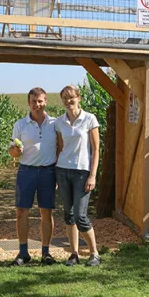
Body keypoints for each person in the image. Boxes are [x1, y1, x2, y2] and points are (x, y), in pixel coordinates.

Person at [9, 87, 57, 266]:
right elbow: (13, 152)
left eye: (40, 101)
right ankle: (23, 252)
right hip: (26, 171)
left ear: (45, 102)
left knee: (46, 211)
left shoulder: (54, 123)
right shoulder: (20, 124)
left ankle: (46, 252)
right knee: (22, 211)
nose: (37, 105)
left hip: (48, 171)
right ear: (28, 103)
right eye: (33, 101)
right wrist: (16, 150)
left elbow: (60, 147)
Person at [55, 85, 102, 267]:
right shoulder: (60, 122)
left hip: (82, 172)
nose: (68, 101)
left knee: (80, 215)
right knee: (69, 214)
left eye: (71, 97)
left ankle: (94, 253)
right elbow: (60, 148)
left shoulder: (89, 119)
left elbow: (96, 149)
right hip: (63, 170)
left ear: (79, 98)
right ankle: (74, 254)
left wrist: (93, 175)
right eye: (65, 98)